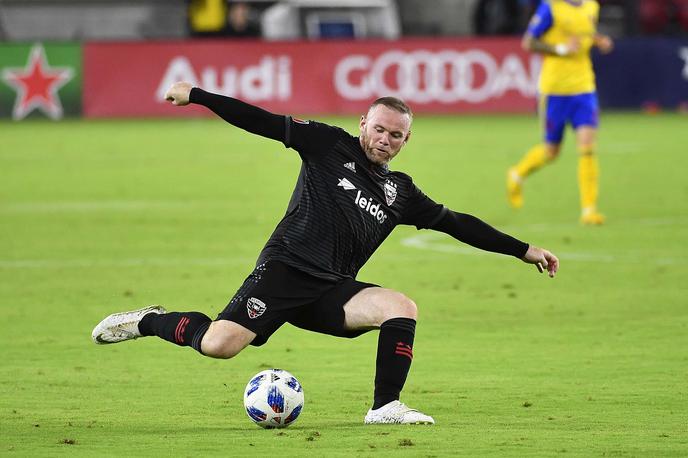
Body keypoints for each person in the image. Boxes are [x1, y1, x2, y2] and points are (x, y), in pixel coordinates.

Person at [92, 82, 560, 425]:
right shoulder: (327, 143)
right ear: (363, 125)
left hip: (331, 289)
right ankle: (147, 321)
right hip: (285, 270)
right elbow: (262, 120)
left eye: (396, 136)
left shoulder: (401, 192)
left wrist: (522, 250)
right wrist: (198, 95)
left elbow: (457, 223)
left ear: (405, 141)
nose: (385, 140)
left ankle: (384, 407)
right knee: (217, 345)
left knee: (400, 308)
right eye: (379, 129)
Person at [506, 0, 614, 225]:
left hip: (584, 88)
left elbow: (586, 33)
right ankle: (517, 174)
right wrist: (561, 49)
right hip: (554, 90)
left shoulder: (591, 6)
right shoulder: (551, 7)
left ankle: (588, 210)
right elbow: (529, 42)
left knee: (587, 147)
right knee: (551, 152)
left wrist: (599, 40)